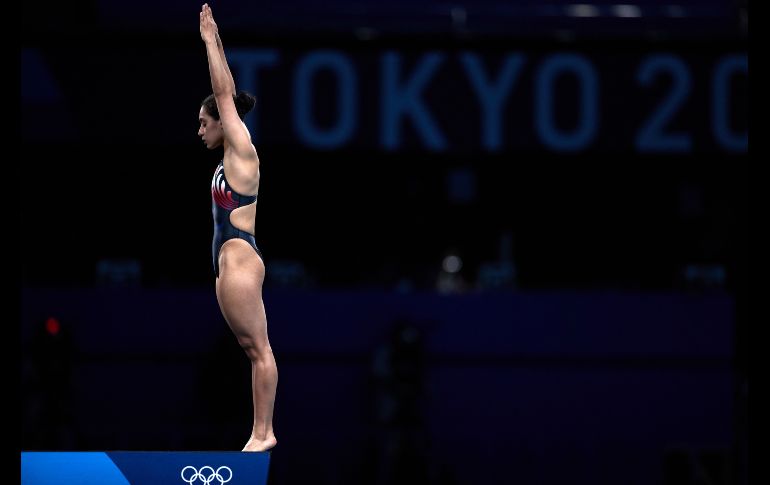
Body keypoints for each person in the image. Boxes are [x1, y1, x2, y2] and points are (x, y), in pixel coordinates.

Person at [198, 3, 277, 452]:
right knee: (253, 349)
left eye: (204, 122)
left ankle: (263, 433)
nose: (200, 130)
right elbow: (224, 97)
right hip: (234, 263)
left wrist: (211, 42)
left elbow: (224, 94)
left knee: (258, 350)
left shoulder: (241, 148)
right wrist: (218, 42)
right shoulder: (231, 155)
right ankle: (259, 431)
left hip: (241, 259)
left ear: (223, 123)